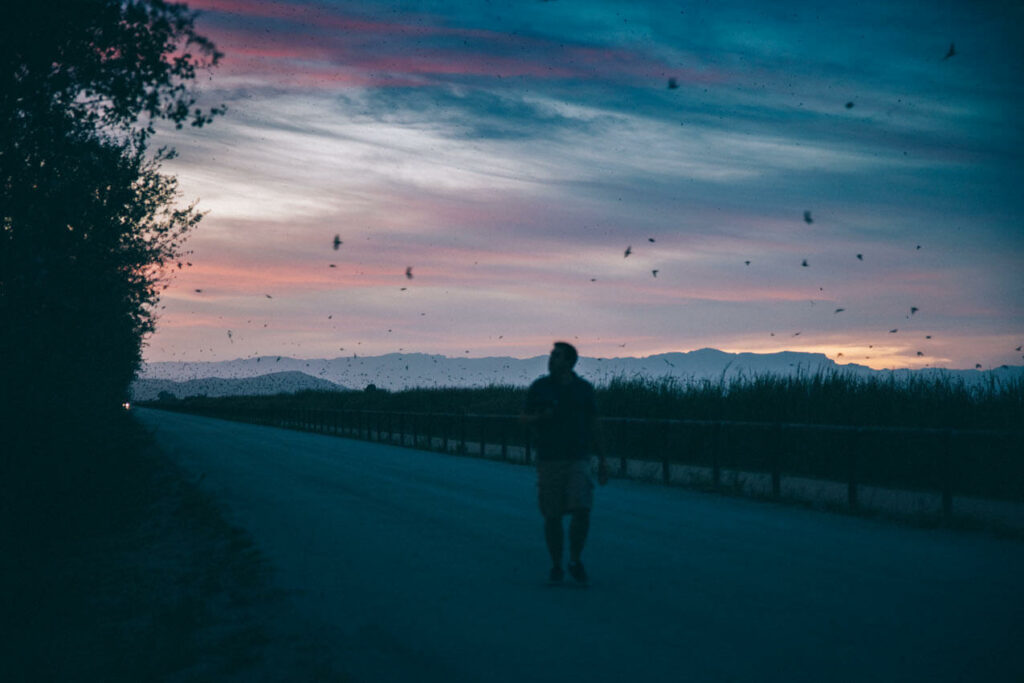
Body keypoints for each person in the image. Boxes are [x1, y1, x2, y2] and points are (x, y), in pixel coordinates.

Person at [521, 342, 608, 585]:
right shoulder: (540, 388)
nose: (550, 359)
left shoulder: (583, 389)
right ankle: (557, 563)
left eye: (556, 356)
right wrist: (540, 417)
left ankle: (575, 559)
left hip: (578, 459)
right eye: (551, 355)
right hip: (549, 460)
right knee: (553, 515)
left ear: (569, 361)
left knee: (582, 509)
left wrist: (602, 459)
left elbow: (594, 424)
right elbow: (523, 417)